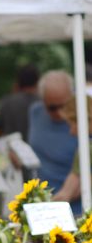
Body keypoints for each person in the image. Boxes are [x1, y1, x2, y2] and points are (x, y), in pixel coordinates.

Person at [28, 70, 80, 213]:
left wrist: (65, 196)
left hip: (77, 207)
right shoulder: (35, 112)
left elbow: (84, 169)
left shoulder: (84, 118)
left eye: (65, 105)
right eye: (52, 108)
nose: (60, 112)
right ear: (42, 100)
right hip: (42, 203)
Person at [54, 94, 92, 206]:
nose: (71, 132)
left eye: (71, 125)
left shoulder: (87, 148)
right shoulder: (86, 147)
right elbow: (70, 189)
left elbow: (68, 193)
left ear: (81, 120)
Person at [0, 64, 40, 142]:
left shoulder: (7, 102)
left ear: (18, 82)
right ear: (37, 81)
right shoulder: (43, 103)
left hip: (15, 151)